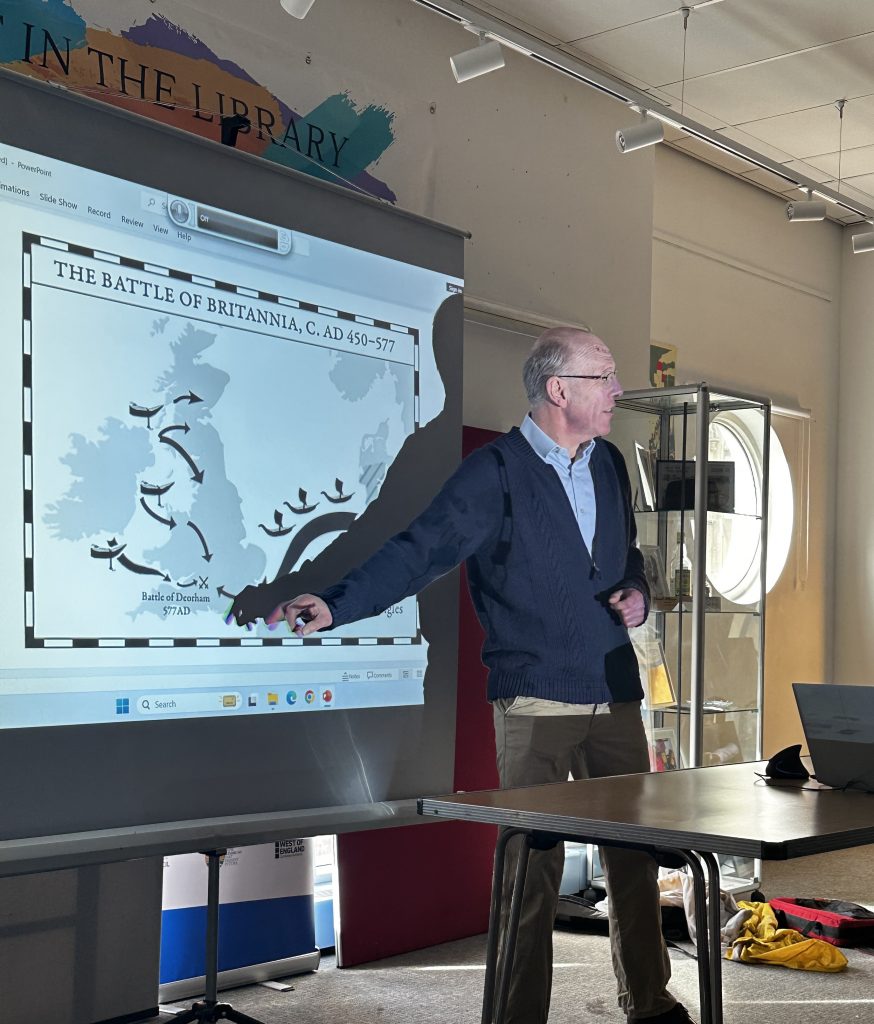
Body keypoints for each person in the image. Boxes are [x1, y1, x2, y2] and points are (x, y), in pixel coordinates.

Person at [230, 326, 694, 1024]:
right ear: (559, 390)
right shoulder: (496, 472)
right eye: (604, 376)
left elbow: (623, 555)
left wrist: (634, 590)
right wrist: (336, 603)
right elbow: (421, 549)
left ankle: (650, 1002)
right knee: (530, 876)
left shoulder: (609, 464)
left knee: (633, 863)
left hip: (616, 695)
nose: (619, 389)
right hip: (536, 702)